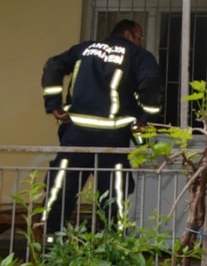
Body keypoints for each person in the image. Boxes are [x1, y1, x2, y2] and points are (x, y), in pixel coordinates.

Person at [40, 20, 164, 241]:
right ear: (128, 34)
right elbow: (151, 86)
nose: (140, 42)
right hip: (112, 139)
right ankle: (112, 247)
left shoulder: (85, 48)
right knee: (113, 195)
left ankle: (49, 245)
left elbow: (53, 66)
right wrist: (146, 119)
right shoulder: (138, 55)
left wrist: (53, 105)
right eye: (139, 37)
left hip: (76, 135)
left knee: (61, 189)